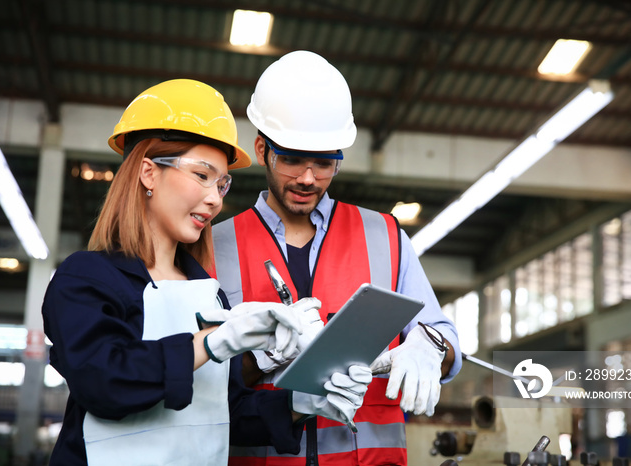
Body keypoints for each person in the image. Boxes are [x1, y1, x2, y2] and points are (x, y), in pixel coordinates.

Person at [41, 78, 372, 466]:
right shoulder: (87, 278)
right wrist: (212, 344)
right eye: (201, 175)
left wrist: (303, 402)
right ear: (148, 172)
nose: (215, 199)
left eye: (222, 183)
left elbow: (223, 413)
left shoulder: (205, 291)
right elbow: (103, 380)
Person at [212, 51, 462, 466]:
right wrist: (261, 355)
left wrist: (430, 346)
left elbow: (446, 337)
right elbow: (200, 379)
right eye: (292, 159)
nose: (308, 178)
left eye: (325, 162)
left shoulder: (384, 235)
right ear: (262, 150)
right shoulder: (214, 245)